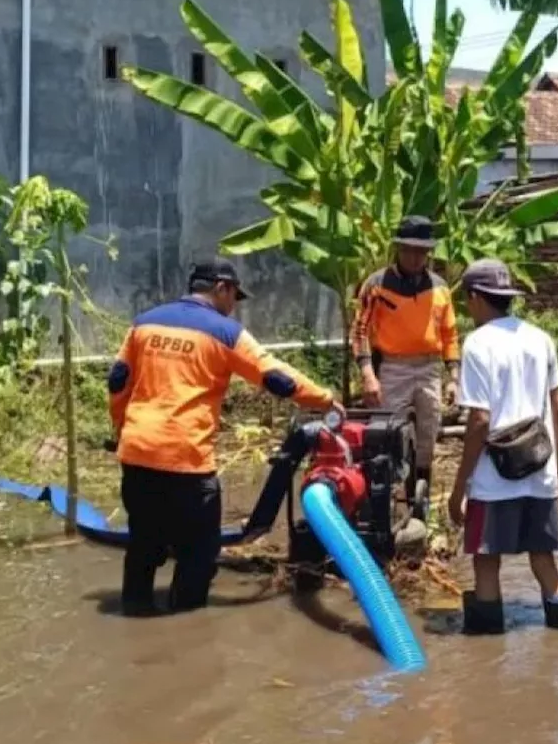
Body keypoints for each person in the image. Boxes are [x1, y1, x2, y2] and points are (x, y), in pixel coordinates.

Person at [107, 258, 340, 615]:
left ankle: (135, 619)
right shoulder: (225, 332)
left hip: (138, 454)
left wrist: (123, 428)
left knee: (142, 547)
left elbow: (118, 381)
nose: (234, 306)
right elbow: (277, 377)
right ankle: (185, 633)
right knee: (198, 554)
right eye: (234, 297)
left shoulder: (144, 323)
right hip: (187, 461)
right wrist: (324, 399)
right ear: (221, 288)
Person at [447, 258, 558, 635]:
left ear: (475, 298)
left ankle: (487, 655)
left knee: (486, 563)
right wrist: (557, 472)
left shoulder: (478, 345)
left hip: (493, 479)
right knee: (544, 560)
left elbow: (480, 421)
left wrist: (459, 489)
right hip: (540, 469)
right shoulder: (540, 338)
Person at [352, 215, 460, 513]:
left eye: (421, 251)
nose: (415, 257)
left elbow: (450, 334)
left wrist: (453, 376)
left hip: (428, 368)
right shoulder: (376, 284)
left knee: (427, 435)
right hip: (392, 367)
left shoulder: (439, 288)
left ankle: (419, 502)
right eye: (409, 250)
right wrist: (368, 375)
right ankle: (381, 503)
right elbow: (359, 331)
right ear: (398, 248)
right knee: (386, 435)